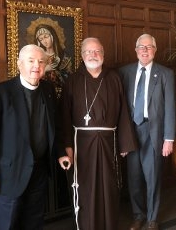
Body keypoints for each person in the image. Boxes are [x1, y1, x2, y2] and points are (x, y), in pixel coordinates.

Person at [57, 37, 138, 230]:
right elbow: (64, 117)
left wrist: (125, 144)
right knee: (85, 189)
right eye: (89, 52)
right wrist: (67, 146)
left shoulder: (114, 78)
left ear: (103, 53)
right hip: (81, 144)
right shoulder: (73, 80)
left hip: (109, 143)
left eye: (97, 51)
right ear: (82, 55)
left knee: (109, 187)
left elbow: (123, 112)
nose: (93, 55)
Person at [0, 44, 60, 230]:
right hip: (7, 177)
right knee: (6, 225)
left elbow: (53, 127)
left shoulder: (48, 90)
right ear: (19, 64)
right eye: (31, 61)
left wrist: (61, 152)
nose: (36, 66)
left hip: (38, 173)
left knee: (33, 223)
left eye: (41, 62)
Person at [119, 33, 176, 230]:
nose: (145, 50)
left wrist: (169, 139)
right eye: (141, 47)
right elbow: (120, 108)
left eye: (149, 47)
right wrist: (121, 138)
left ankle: (152, 218)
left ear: (155, 50)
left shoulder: (165, 74)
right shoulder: (124, 72)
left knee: (153, 178)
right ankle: (138, 215)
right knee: (133, 178)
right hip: (131, 132)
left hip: (154, 133)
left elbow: (170, 108)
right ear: (135, 51)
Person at [35, 23, 73, 99]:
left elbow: (69, 78)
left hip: (61, 95)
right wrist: (45, 70)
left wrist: (56, 72)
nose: (44, 41)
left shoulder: (64, 56)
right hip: (42, 94)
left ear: (52, 36)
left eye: (46, 37)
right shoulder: (38, 56)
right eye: (41, 39)